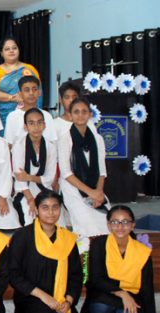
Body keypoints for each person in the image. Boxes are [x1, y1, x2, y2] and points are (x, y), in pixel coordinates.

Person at [9, 190, 85, 313]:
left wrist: (69, 301)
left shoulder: (67, 239)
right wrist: (44, 297)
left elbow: (76, 275)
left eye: (55, 207)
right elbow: (14, 274)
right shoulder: (22, 236)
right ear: (36, 209)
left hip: (59, 298)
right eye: (45, 208)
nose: (50, 212)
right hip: (31, 297)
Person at [81, 206, 158, 313]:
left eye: (125, 222)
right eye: (115, 222)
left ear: (133, 225)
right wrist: (122, 293)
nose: (120, 227)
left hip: (131, 297)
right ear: (109, 225)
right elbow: (96, 279)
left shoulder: (142, 251)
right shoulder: (99, 244)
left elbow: (147, 289)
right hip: (104, 294)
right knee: (99, 306)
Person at [58, 97, 110, 239]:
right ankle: (85, 259)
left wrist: (98, 192)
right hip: (72, 189)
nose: (80, 115)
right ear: (70, 115)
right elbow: (66, 173)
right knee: (88, 227)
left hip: (95, 188)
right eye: (76, 112)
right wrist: (90, 193)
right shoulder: (65, 138)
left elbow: (102, 170)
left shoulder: (97, 139)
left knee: (107, 224)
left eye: (84, 112)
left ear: (90, 114)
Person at [11, 108, 58, 226]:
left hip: (45, 189)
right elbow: (20, 179)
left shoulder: (50, 146)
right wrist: (31, 199)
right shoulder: (19, 146)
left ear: (44, 125)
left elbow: (49, 178)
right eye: (31, 123)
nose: (36, 127)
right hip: (25, 191)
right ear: (25, 127)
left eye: (39, 122)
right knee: (30, 218)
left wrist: (29, 177)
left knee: (56, 220)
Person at [0, 36, 41, 129]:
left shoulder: (30, 69)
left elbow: (39, 92)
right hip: (4, 116)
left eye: (14, 48)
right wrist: (13, 98)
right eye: (7, 49)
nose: (11, 51)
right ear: (1, 53)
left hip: (30, 114)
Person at [4, 76, 57, 146]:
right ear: (20, 94)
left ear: (39, 92)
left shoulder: (47, 115)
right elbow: (9, 144)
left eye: (34, 89)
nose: (31, 93)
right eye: (27, 90)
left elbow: (52, 142)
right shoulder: (13, 116)